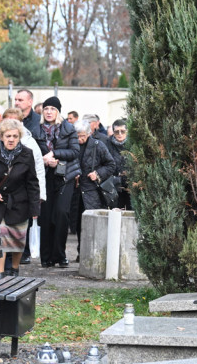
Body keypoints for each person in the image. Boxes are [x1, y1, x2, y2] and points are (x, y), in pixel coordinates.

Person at [0, 118, 40, 278]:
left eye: (15, 136)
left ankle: (14, 269)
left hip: (19, 202)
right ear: (1, 136)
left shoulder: (27, 153)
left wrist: (35, 208)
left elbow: (32, 182)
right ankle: (0, 273)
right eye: (8, 136)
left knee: (18, 240)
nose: (11, 139)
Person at [35, 96, 79, 268]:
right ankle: (46, 257)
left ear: (58, 111)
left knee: (61, 214)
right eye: (46, 109)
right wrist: (45, 160)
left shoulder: (68, 129)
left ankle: (60, 255)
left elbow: (74, 151)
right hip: (45, 177)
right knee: (45, 217)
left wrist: (55, 155)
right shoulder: (36, 130)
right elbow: (33, 152)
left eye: (52, 109)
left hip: (65, 176)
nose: (49, 112)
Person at [74, 121, 118, 258]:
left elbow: (111, 164)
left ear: (89, 134)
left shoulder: (98, 146)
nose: (80, 139)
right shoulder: (73, 145)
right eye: (77, 136)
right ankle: (81, 252)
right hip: (76, 190)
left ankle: (92, 253)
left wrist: (97, 174)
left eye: (82, 136)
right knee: (77, 224)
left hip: (92, 190)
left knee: (92, 223)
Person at [108, 119, 131, 209]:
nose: (120, 134)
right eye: (117, 132)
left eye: (123, 131)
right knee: (115, 212)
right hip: (114, 184)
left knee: (131, 213)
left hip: (131, 184)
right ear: (113, 132)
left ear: (127, 131)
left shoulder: (132, 143)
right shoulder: (107, 144)